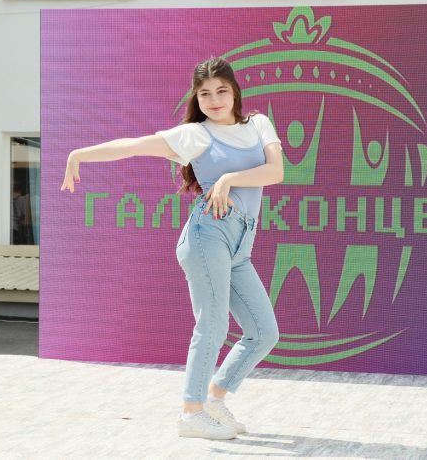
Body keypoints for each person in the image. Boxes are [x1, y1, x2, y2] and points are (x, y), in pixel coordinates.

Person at [61, 57, 284, 440]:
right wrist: (78, 154)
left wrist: (228, 178)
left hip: (240, 244)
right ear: (197, 98)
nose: (214, 100)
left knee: (264, 332)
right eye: (205, 94)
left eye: (222, 91)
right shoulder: (195, 135)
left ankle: (214, 399)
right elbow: (134, 146)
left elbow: (275, 171)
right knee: (212, 323)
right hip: (208, 235)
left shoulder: (258, 124)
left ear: (235, 92)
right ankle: (191, 413)